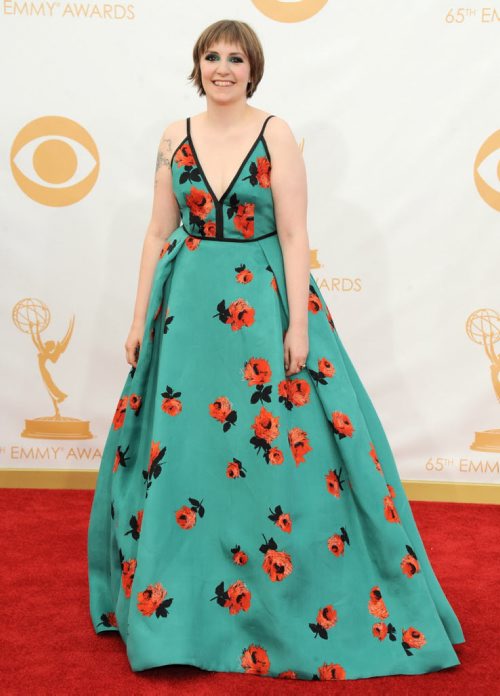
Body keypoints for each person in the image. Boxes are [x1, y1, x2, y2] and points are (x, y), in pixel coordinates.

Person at [87, 19, 465, 681]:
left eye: (236, 58)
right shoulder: (174, 136)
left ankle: (279, 597)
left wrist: (297, 327)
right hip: (186, 317)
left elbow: (293, 236)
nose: (223, 68)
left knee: (276, 456)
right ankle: (178, 612)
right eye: (212, 57)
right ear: (197, 65)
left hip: (261, 309)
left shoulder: (276, 134)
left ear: (252, 69)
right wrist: (140, 317)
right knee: (186, 457)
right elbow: (155, 233)